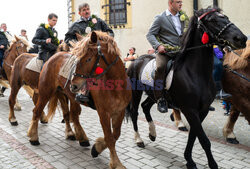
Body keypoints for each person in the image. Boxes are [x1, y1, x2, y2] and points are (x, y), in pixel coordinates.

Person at [65, 2, 114, 103]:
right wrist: (78, 45)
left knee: (112, 61)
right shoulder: (75, 25)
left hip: (98, 51)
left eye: (87, 9)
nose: (86, 11)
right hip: (83, 53)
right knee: (78, 65)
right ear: (79, 13)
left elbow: (110, 32)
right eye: (84, 10)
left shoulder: (98, 21)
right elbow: (67, 38)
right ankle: (81, 92)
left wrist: (108, 40)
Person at [146, 0, 186, 113]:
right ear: (170, 3)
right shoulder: (160, 18)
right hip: (165, 53)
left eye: (181, 2)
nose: (181, 4)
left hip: (181, 51)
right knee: (160, 67)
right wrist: (158, 46)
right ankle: (160, 99)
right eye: (178, 2)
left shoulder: (184, 17)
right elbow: (150, 34)